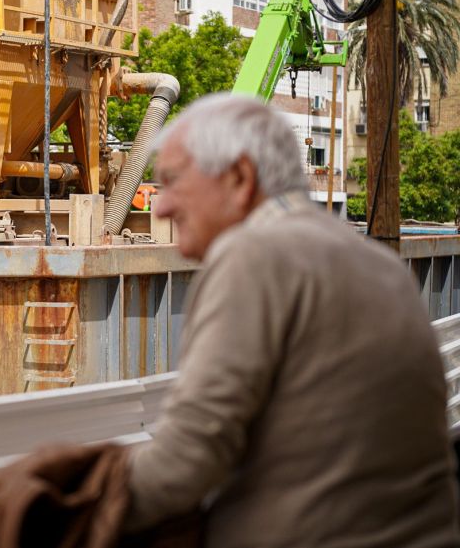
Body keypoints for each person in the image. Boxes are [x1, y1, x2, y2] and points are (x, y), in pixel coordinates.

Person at [127, 94, 460, 547]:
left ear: (239, 177)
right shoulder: (381, 266)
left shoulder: (251, 256)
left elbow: (186, 461)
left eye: (171, 181)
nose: (159, 207)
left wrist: (64, 510)